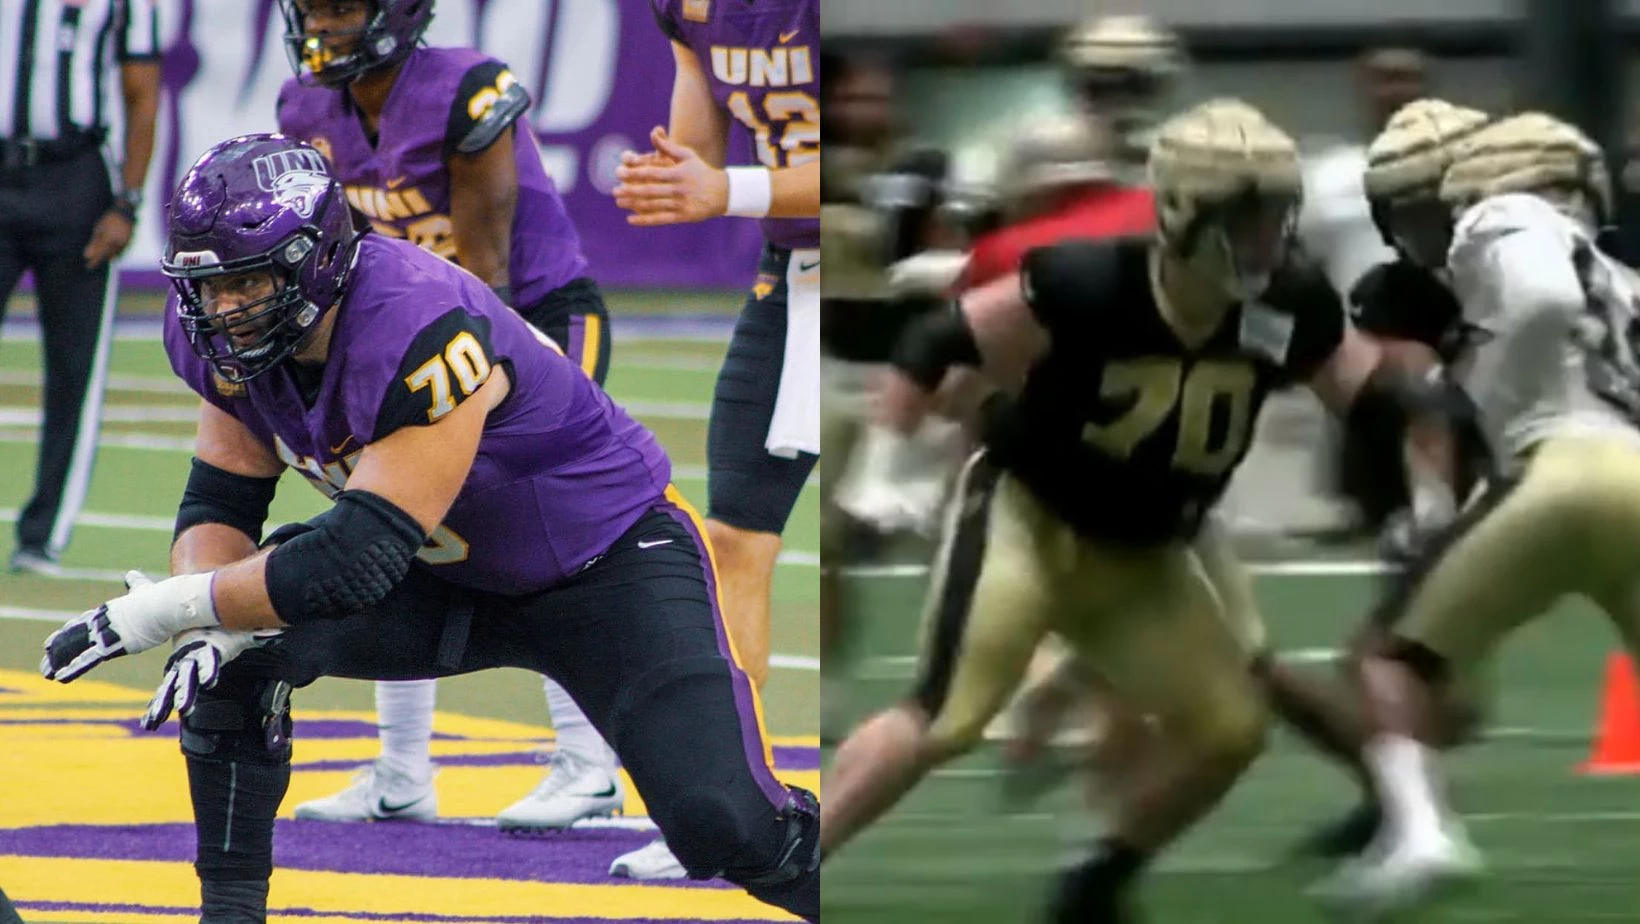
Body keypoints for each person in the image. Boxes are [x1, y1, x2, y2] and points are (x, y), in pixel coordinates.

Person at [39, 133, 819, 924]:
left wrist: (164, 607)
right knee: (234, 657)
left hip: (602, 565)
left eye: (245, 281)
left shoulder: (415, 319)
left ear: (315, 261)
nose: (224, 308)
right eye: (208, 286)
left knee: (729, 826)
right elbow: (220, 504)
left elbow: (355, 561)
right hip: (440, 574)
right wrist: (209, 616)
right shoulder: (226, 339)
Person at [820, 99, 1437, 923]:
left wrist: (1439, 464)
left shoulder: (1288, 299)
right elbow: (939, 342)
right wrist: (883, 467)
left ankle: (1100, 877)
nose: (1266, 239)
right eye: (1245, 218)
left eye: (1273, 217)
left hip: (1147, 553)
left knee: (1229, 727)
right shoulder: (1090, 279)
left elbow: (1372, 397)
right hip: (1029, 519)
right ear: (1183, 210)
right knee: (946, 718)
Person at [269, 0, 624, 834]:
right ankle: (400, 772)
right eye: (313, 6)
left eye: (342, 6)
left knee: (541, 523)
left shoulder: (466, 90)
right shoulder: (304, 106)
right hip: (405, 328)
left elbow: (488, 272)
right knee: (389, 523)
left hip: (526, 320)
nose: (324, 22)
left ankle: (589, 766)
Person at [1321, 112, 1640, 918]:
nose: (1429, 229)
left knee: (1385, 660)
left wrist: (1490, 398)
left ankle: (1424, 837)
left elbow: (1528, 309)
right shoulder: (1617, 272)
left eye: (1435, 206)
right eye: (1410, 212)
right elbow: (1423, 404)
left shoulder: (1503, 225)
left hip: (1558, 471)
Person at [608, 0, 820, 880]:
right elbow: (697, 157)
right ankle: (738, 806)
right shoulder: (687, 9)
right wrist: (675, 179)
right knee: (732, 536)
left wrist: (725, 190)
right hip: (801, 279)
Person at [0, 0, 160, 572]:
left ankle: (43, 534)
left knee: (76, 366)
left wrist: (127, 202)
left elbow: (143, 93)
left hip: (75, 179)